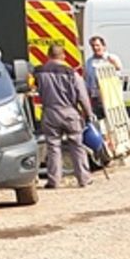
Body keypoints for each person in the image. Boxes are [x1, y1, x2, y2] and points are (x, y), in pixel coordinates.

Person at [31, 47, 91, 189]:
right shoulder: (72, 74)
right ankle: (83, 179)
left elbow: (32, 88)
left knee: (53, 147)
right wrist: (88, 113)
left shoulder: (39, 73)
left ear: (48, 55)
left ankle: (54, 181)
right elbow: (82, 96)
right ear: (63, 56)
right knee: (77, 146)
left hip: (50, 113)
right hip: (70, 113)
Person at [82, 35, 122, 120]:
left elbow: (118, 73)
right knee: (99, 123)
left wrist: (114, 64)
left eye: (97, 45)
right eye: (93, 46)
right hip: (96, 99)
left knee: (113, 121)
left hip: (111, 98)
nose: (95, 48)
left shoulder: (112, 58)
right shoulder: (89, 62)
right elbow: (87, 82)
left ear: (103, 46)